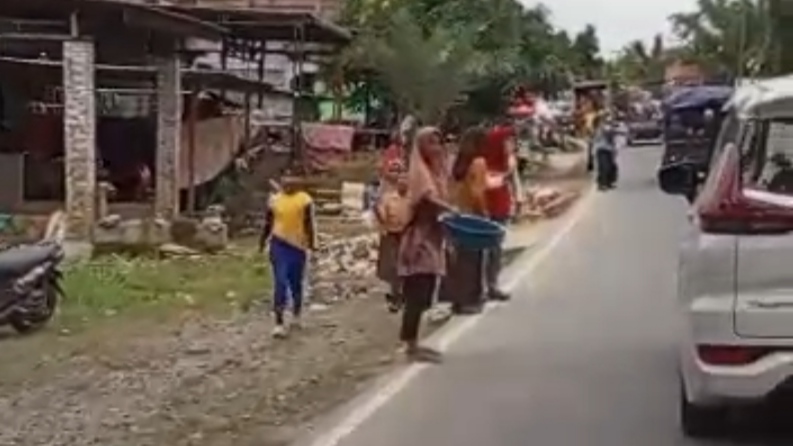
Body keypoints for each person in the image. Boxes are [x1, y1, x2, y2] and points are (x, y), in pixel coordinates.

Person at [397, 126, 453, 363]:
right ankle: (410, 346)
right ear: (421, 147)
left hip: (432, 238)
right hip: (418, 242)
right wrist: (451, 211)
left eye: (438, 142)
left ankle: (413, 342)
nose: (436, 148)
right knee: (417, 294)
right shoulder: (418, 173)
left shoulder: (435, 171)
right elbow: (427, 199)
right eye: (431, 143)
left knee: (427, 292)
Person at [258, 175, 317, 338]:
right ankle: (278, 322)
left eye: (292, 182)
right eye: (286, 182)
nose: (288, 185)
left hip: (298, 246)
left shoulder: (304, 201)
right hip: (279, 244)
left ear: (298, 185)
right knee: (280, 281)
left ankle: (296, 314)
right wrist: (262, 241)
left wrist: (312, 243)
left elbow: (309, 224)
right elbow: (268, 223)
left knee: (295, 282)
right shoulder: (275, 201)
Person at [440, 126, 489, 314]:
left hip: (457, 214)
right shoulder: (479, 163)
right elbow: (478, 193)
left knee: (459, 260)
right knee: (474, 260)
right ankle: (472, 300)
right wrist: (484, 214)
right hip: (473, 215)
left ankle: (458, 301)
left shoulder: (458, 163)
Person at [481, 124, 514, 302]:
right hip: (488, 209)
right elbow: (488, 185)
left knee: (496, 249)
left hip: (501, 207)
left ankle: (492, 284)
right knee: (488, 250)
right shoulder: (484, 165)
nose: (510, 145)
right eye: (507, 142)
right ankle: (487, 285)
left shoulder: (505, 161)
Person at [375, 159, 409, 312]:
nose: (396, 174)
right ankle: (396, 295)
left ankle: (403, 294)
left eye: (399, 170)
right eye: (393, 170)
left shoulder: (410, 194)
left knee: (406, 266)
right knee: (393, 267)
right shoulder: (385, 193)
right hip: (391, 234)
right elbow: (380, 211)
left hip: (407, 234)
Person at [593, 113, 619, 190]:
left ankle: (608, 182)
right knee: (604, 167)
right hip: (601, 149)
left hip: (609, 149)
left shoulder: (608, 127)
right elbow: (607, 133)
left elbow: (612, 138)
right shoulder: (599, 129)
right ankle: (601, 184)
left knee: (611, 167)